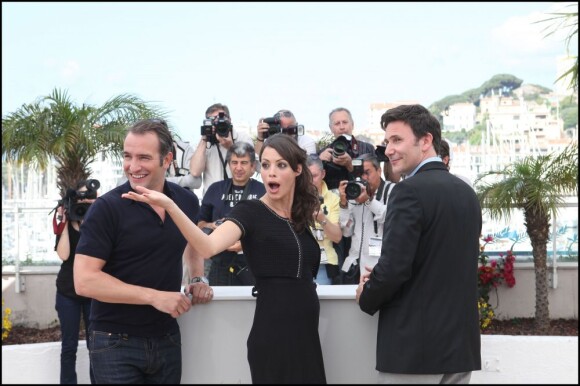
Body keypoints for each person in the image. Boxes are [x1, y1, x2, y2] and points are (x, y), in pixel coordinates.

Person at [122, 133, 327, 384]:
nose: (270, 173)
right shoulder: (250, 211)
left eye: (281, 165)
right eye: (265, 165)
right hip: (275, 335)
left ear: (297, 170)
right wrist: (171, 207)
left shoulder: (300, 214)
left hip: (306, 334)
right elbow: (208, 247)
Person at [73, 118, 214, 384]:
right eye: (128, 156)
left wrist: (197, 277)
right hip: (114, 342)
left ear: (167, 159)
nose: (133, 166)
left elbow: (192, 242)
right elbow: (84, 280)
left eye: (144, 157)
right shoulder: (107, 208)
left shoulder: (184, 200)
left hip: (167, 338)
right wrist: (155, 297)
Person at [356, 104, 482, 383]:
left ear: (425, 141)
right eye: (387, 141)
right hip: (460, 347)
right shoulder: (467, 194)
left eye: (397, 140)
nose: (388, 150)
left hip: (415, 351)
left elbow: (394, 268)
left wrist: (367, 294)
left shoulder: (407, 192)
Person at [198, 141, 266, 286]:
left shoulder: (263, 191)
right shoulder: (215, 189)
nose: (239, 168)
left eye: (244, 163)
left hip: (252, 262)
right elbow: (200, 224)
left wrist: (245, 243)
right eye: (234, 162)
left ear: (253, 166)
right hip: (218, 260)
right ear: (229, 164)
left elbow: (271, 228)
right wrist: (213, 225)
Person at [54, 180, 98, 384]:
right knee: (69, 346)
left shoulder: (98, 221)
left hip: (93, 291)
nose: (83, 201)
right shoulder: (66, 219)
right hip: (67, 292)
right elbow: (64, 255)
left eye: (87, 197)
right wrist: (64, 223)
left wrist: (92, 217)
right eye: (79, 198)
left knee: (96, 345)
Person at [338, 153, 394, 284]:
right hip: (354, 267)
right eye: (360, 174)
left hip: (377, 268)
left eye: (367, 173)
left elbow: (390, 218)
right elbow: (346, 232)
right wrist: (343, 204)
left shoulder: (391, 190)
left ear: (379, 171)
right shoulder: (355, 192)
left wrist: (368, 201)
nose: (363, 178)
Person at [190, 103, 255, 196]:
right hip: (213, 200)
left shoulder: (242, 138)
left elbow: (251, 170)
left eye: (221, 118)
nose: (218, 123)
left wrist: (231, 147)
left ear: (229, 120)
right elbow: (195, 172)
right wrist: (205, 137)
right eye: (213, 120)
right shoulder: (205, 143)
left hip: (239, 199)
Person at [318, 107, 376, 191]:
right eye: (337, 123)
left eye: (345, 122)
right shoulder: (324, 153)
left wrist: (350, 165)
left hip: (362, 197)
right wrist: (319, 162)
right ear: (331, 128)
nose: (342, 127)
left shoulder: (367, 148)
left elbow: (374, 180)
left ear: (352, 125)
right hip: (334, 201)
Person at [307, 154, 343, 285]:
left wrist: (322, 218)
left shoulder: (333, 198)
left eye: (314, 176)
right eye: (307, 176)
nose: (310, 181)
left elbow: (337, 237)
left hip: (324, 262)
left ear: (323, 174)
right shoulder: (294, 197)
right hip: (299, 262)